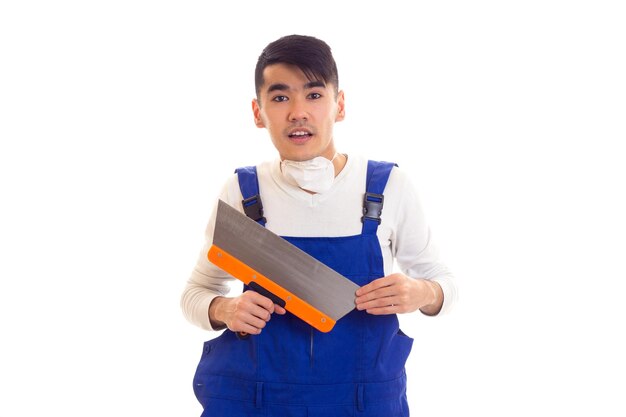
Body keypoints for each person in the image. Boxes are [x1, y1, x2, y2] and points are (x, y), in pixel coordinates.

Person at [181, 34, 457, 417]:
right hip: (257, 403)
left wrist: (423, 293)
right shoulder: (244, 193)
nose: (297, 112)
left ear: (339, 105)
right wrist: (223, 309)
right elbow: (197, 291)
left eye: (314, 95)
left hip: (363, 404)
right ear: (258, 112)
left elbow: (444, 282)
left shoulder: (387, 187)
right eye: (280, 98)